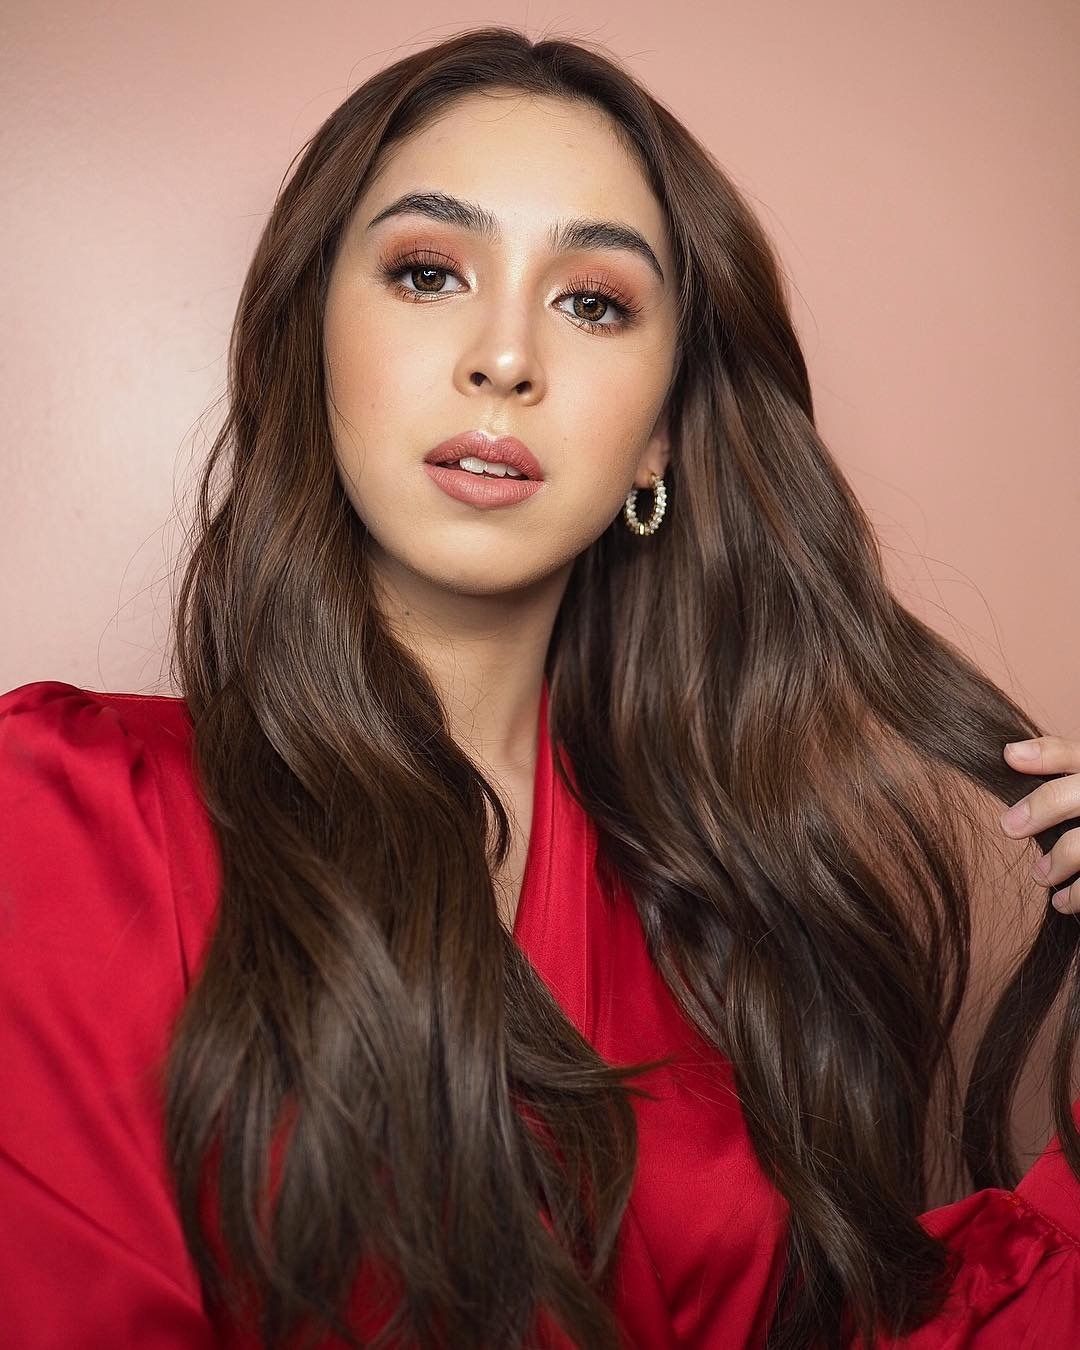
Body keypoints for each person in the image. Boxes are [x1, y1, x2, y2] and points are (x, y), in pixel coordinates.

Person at [1, 24, 1078, 1350]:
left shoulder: (728, 919)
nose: (505, 357)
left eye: (593, 303)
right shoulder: (65, 818)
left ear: (660, 437)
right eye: (427, 272)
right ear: (310, 342)